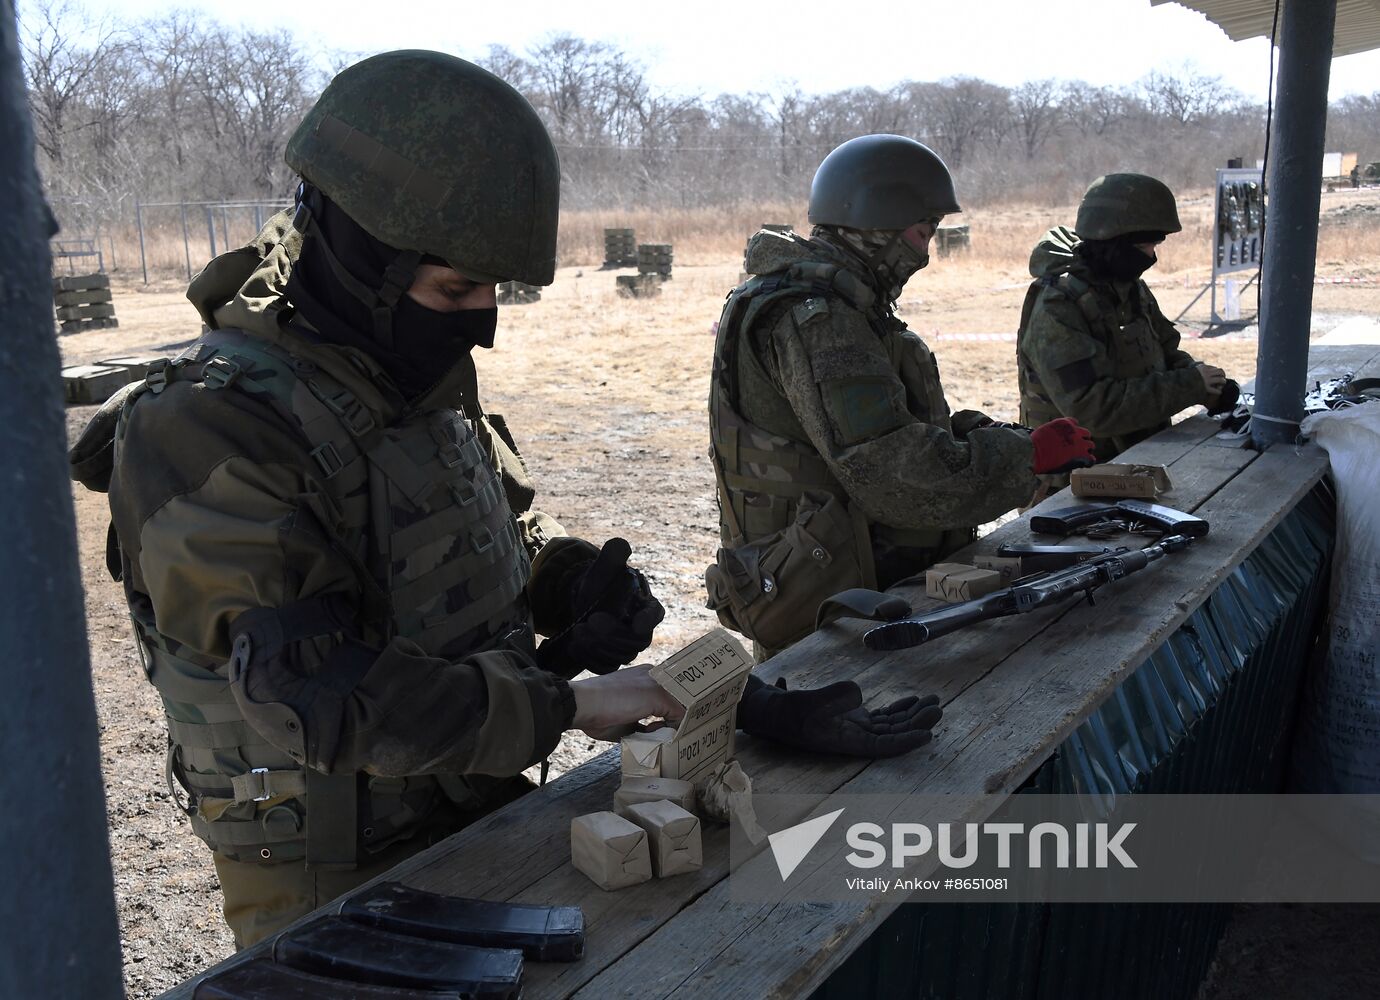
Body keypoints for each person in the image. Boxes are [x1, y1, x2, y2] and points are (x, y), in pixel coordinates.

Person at [70, 52, 939, 948]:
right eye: (454, 289)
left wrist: (565, 583)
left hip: (484, 805)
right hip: (337, 878)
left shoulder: (411, 374)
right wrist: (578, 702)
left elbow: (485, 531)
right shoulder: (208, 430)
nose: (478, 321)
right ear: (357, 257)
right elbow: (317, 697)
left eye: (492, 291)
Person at [705, 134, 1095, 659]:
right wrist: (1026, 457)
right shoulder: (819, 320)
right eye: (922, 232)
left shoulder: (837, 307)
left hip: (860, 594)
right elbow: (890, 472)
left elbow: (882, 433)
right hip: (836, 618)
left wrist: (979, 436)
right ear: (878, 223)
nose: (926, 253)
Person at [1017, 173, 1239, 488]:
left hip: (1132, 468)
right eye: (1146, 244)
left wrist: (1206, 383)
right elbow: (1092, 409)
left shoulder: (1128, 289)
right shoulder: (1058, 306)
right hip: (1070, 487)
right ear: (1115, 241)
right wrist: (1189, 385)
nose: (1153, 256)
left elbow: (1166, 351)